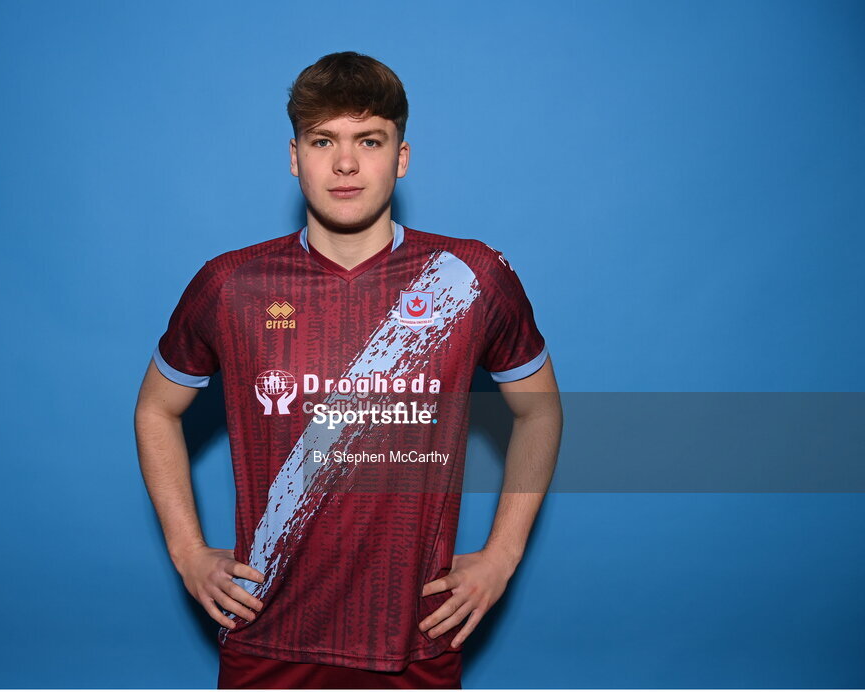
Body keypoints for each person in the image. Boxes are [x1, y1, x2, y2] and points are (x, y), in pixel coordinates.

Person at [134, 51, 563, 689]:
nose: (345, 163)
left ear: (402, 157)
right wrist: (188, 553)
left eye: (369, 140)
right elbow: (155, 409)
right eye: (322, 140)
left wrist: (502, 557)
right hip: (265, 637)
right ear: (294, 157)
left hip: (412, 641)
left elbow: (540, 410)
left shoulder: (468, 278)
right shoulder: (231, 284)